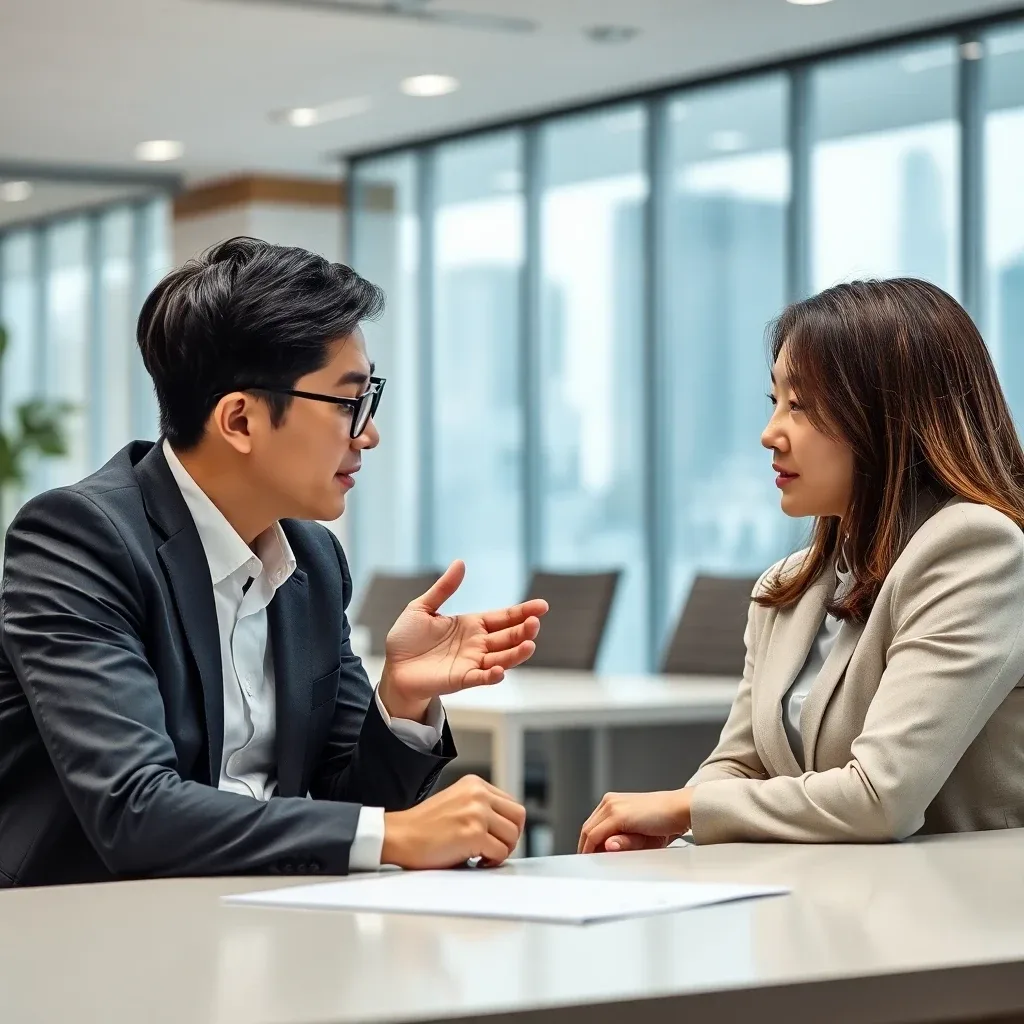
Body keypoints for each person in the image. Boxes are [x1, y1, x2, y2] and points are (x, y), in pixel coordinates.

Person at [0, 237, 547, 887]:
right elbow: (134, 809)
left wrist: (401, 700)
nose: (367, 433)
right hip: (85, 938)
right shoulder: (79, 540)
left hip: (259, 917)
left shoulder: (311, 560)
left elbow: (353, 795)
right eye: (348, 402)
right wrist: (393, 833)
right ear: (239, 420)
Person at [579, 278, 1024, 853]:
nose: (770, 434)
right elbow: (736, 768)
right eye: (775, 403)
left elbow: (879, 798)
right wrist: (673, 831)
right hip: (821, 913)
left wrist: (685, 808)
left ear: (888, 418)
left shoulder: (976, 549)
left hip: (956, 925)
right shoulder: (787, 588)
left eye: (801, 406)